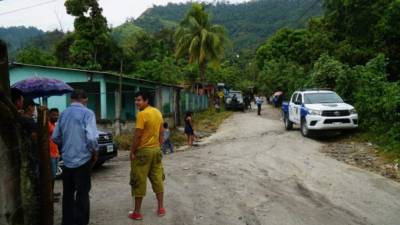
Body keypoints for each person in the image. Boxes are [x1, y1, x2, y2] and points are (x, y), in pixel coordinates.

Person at [52, 89, 99, 225]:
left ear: (71, 99)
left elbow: (55, 136)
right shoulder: (88, 113)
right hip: (83, 160)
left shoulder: (63, 114)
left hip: (67, 161)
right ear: (84, 100)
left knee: (68, 194)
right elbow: (91, 138)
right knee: (82, 194)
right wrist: (95, 151)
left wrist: (65, 147)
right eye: (86, 101)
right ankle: (81, 222)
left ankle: (67, 222)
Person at [129, 91, 165, 220]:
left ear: (146, 100)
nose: (136, 102)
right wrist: (158, 147)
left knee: (138, 180)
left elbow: (137, 136)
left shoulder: (142, 114)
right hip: (156, 150)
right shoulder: (157, 112)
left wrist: (132, 151)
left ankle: (137, 212)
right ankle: (161, 208)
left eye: (139, 100)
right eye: (136, 100)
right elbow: (162, 133)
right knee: (157, 179)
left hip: (143, 152)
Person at [48, 108, 61, 201]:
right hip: (50, 154)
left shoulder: (53, 125)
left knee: (54, 176)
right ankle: (49, 196)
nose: (56, 117)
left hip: (55, 153)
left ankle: (51, 192)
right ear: (49, 115)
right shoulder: (47, 125)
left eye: (57, 115)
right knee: (51, 176)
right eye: (53, 115)